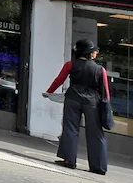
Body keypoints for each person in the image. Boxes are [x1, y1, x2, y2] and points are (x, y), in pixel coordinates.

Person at [43, 39, 109, 175]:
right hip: (92, 102)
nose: (96, 53)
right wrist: (105, 106)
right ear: (90, 53)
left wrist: (49, 92)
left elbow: (59, 79)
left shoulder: (70, 64)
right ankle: (99, 166)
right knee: (95, 132)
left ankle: (69, 159)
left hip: (73, 98)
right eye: (94, 51)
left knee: (70, 128)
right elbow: (105, 92)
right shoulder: (100, 69)